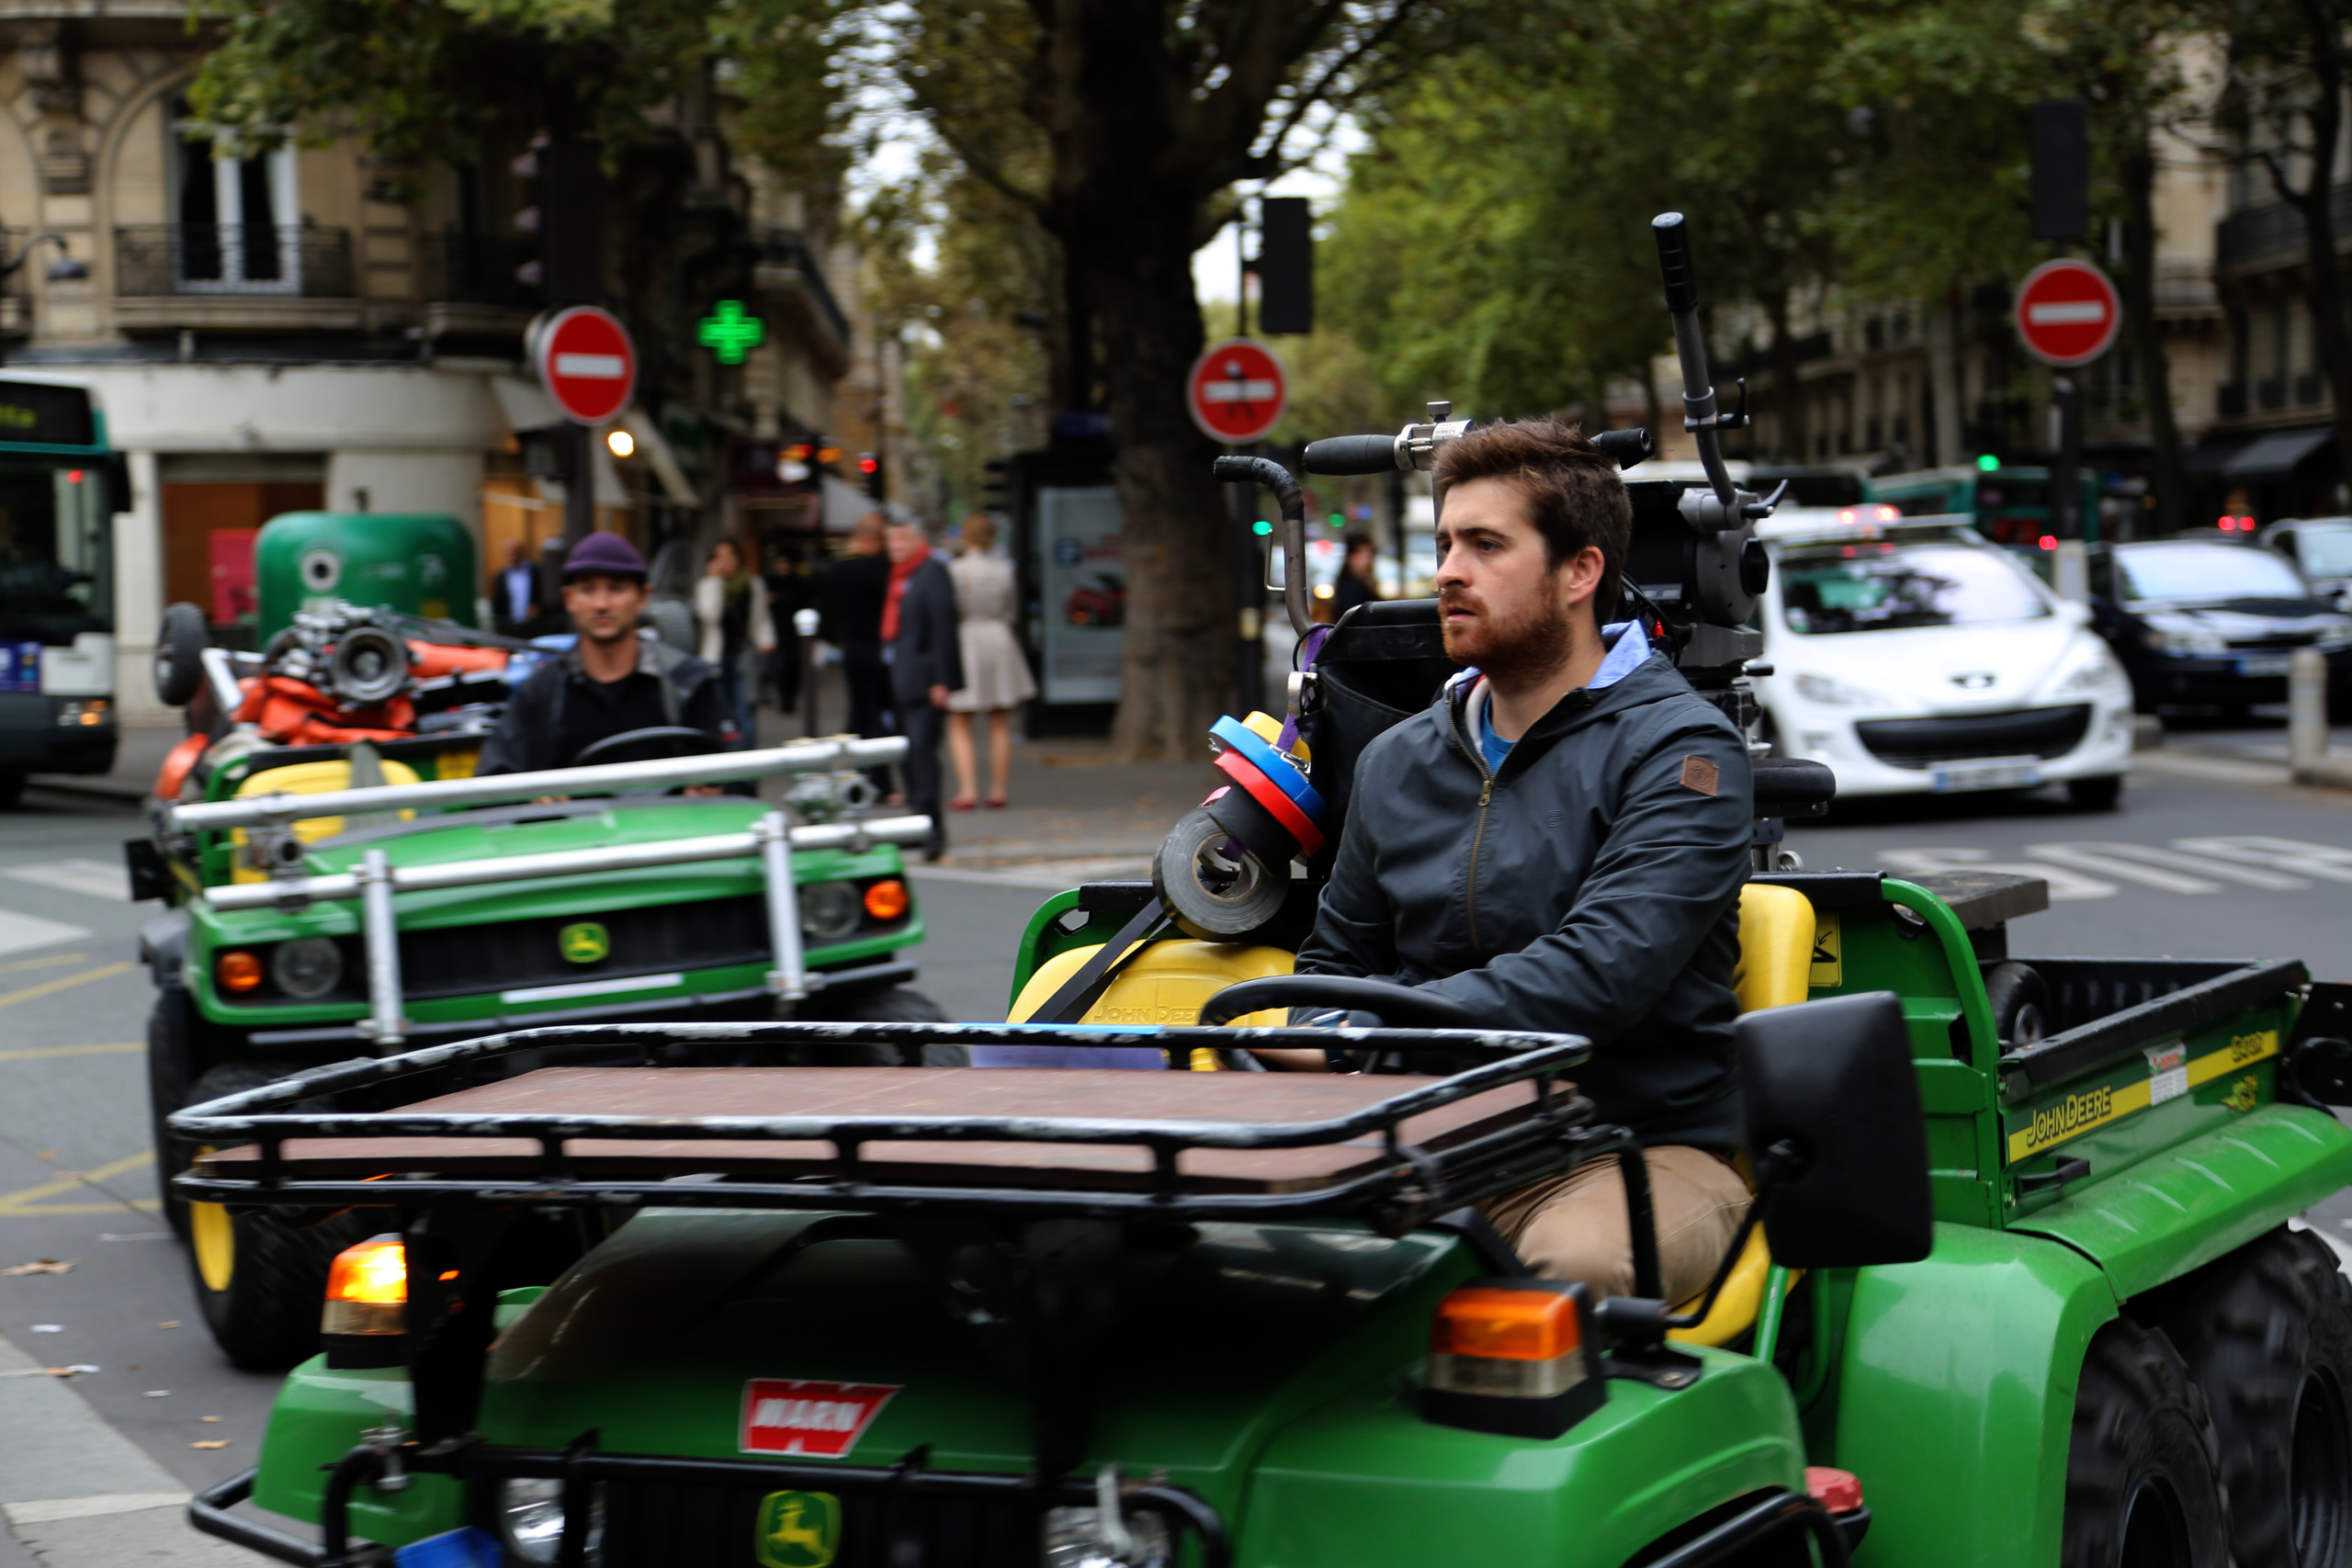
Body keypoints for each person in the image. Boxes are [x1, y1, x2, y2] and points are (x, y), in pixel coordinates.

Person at [1290, 415, 1755, 1305]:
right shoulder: (1399, 758)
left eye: (1485, 545)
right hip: (1431, 1132)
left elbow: (1597, 978)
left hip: (1631, 1146)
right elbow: (1331, 966)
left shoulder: (1682, 751)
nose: (1446, 572)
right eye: (1444, 544)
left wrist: (1366, 1041)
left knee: (1574, 1268)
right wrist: (1323, 1034)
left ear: (1579, 572)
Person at [479, 532, 730, 777]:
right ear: (569, 599)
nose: (602, 604)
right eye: (588, 589)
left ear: (643, 597)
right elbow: (494, 783)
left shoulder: (688, 683)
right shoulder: (540, 694)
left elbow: (738, 776)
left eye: (617, 588)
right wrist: (533, 799)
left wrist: (711, 788)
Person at [883, 520, 963, 860]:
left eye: (902, 538)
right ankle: (917, 823)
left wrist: (942, 680)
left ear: (918, 540)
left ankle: (933, 829)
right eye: (891, 539)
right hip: (901, 678)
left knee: (922, 753)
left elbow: (943, 629)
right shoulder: (900, 574)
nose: (896, 545)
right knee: (907, 754)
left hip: (924, 680)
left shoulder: (932, 573)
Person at [944, 513, 1035, 809]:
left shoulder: (955, 570)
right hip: (998, 638)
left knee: (960, 719)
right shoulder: (1004, 569)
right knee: (999, 720)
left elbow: (952, 609)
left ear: (965, 536)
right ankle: (998, 790)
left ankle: (968, 790)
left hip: (967, 638)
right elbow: (1010, 610)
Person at [826, 513, 895, 795]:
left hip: (850, 646)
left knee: (857, 714)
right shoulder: (875, 569)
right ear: (871, 539)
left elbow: (830, 611)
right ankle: (879, 779)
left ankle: (847, 772)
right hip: (875, 647)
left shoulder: (837, 569)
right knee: (876, 715)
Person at [695, 538, 776, 749]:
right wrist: (715, 582)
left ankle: (747, 767)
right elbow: (709, 615)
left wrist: (766, 642)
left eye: (729, 555)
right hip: (716, 659)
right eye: (719, 556)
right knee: (722, 715)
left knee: (744, 711)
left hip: (744, 656)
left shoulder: (752, 584)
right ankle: (727, 762)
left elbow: (760, 618)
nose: (725, 561)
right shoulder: (707, 586)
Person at [1330, 530, 1382, 619]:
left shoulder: (1365, 582)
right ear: (1350, 557)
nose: (1366, 560)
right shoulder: (1349, 586)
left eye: (1369, 555)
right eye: (1361, 554)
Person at [493, 539, 540, 638]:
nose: (513, 556)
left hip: (532, 626)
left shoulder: (535, 571)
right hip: (509, 627)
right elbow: (498, 603)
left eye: (516, 553)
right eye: (510, 553)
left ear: (522, 553)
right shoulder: (501, 576)